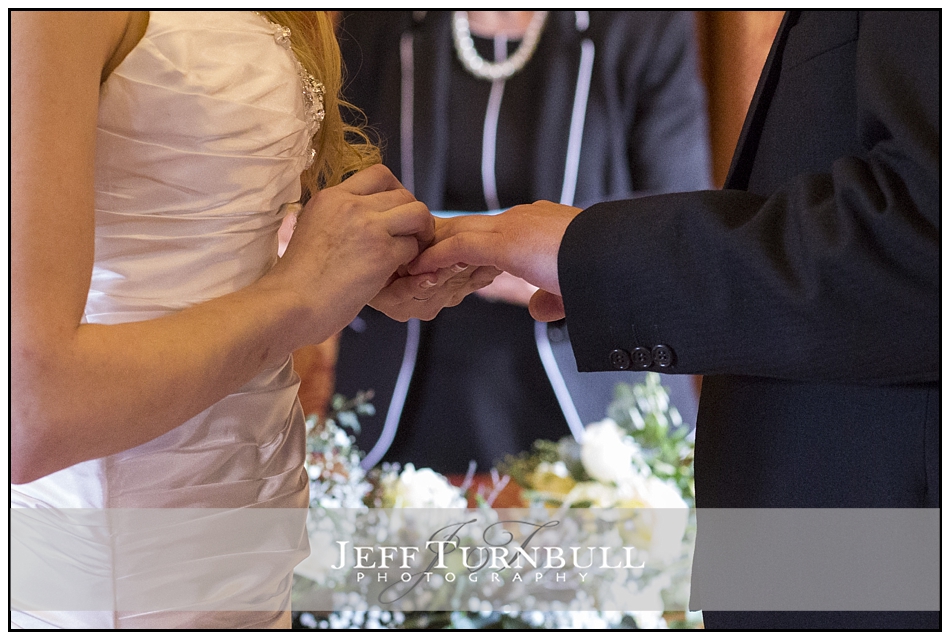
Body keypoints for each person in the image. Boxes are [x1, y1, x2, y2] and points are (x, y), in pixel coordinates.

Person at [411, 10, 939, 629]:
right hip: (814, 549)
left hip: (879, 552)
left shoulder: (643, 27)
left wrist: (587, 256)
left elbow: (923, 238)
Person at [10, 11, 493, 629]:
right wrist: (297, 297)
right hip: (123, 551)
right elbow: (30, 409)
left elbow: (202, 220)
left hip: (250, 514)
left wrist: (346, 264)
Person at [333, 10, 710, 473]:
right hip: (407, 389)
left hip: (591, 388)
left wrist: (528, 257)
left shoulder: (643, 23)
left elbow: (677, 225)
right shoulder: (374, 21)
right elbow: (338, 186)